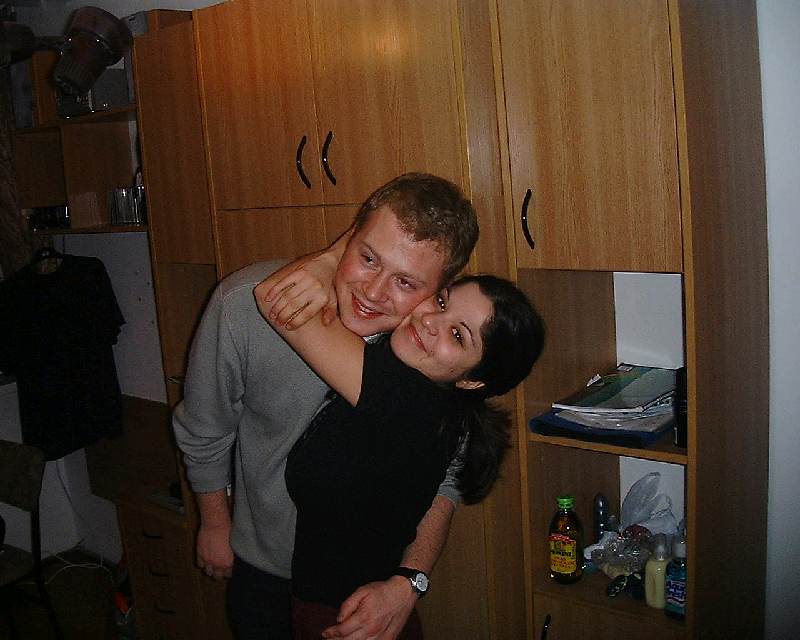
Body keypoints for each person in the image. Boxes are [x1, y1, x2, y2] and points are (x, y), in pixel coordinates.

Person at [172, 173, 479, 639]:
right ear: (348, 238)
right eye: (367, 258)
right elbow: (205, 426)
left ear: (440, 292)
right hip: (262, 569)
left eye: (405, 281)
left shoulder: (430, 352)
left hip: (368, 583)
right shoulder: (243, 304)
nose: (373, 292)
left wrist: (409, 580)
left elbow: (445, 476)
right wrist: (214, 522)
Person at [255, 273, 545, 639]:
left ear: (472, 380)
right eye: (442, 301)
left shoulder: (407, 401)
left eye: (458, 335)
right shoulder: (439, 407)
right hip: (359, 608)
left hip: (344, 618)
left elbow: (272, 295)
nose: (431, 321)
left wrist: (339, 259)